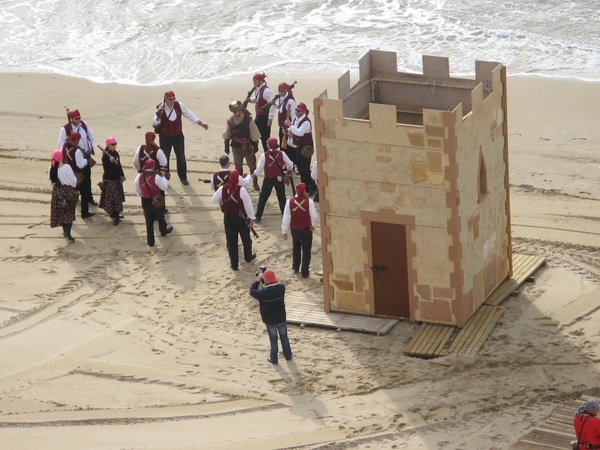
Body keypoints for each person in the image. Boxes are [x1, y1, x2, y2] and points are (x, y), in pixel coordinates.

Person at [152, 90, 208, 185]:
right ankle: (165, 178)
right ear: (166, 99)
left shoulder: (179, 105)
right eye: (170, 99)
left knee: (181, 157)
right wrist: (159, 114)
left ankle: (183, 177)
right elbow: (155, 122)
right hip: (165, 138)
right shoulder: (159, 108)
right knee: (165, 158)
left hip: (178, 136)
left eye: (174, 99)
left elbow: (189, 114)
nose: (173, 101)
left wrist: (200, 123)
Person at [211, 170, 256, 270]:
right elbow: (248, 206)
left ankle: (234, 264)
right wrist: (251, 219)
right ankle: (248, 256)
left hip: (228, 218)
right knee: (245, 238)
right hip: (241, 217)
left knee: (231, 241)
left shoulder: (223, 188)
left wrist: (223, 199)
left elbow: (213, 200)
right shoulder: (242, 190)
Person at [249, 269, 293, 365]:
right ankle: (288, 355)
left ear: (267, 280)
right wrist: (265, 279)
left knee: (273, 339)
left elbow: (252, 291)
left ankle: (274, 358)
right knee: (284, 336)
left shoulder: (263, 293)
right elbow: (273, 286)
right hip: (281, 317)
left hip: (270, 319)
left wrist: (257, 281)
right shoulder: (281, 287)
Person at [58, 109, 97, 205]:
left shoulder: (83, 125)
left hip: (85, 155)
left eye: (79, 118)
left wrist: (90, 149)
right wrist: (69, 144)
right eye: (76, 118)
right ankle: (73, 196)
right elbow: (61, 143)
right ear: (71, 119)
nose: (79, 120)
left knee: (87, 178)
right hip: (72, 158)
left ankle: (88, 197)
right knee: (74, 178)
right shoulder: (65, 129)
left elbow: (91, 137)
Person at [281, 182, 319, 278]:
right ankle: (304, 271)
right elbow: (314, 216)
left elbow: (286, 218)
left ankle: (296, 266)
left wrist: (284, 231)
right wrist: (313, 225)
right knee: (306, 250)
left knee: (296, 246)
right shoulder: (309, 202)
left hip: (294, 229)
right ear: (305, 190)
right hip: (306, 229)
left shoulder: (289, 201)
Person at [133, 159, 173, 247]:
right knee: (160, 216)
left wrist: (141, 194)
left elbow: (136, 186)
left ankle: (150, 241)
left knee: (148, 220)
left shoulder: (139, 176)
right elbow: (164, 187)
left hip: (145, 200)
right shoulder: (156, 176)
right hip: (155, 200)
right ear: (153, 166)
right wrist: (164, 178)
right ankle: (163, 231)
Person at [222, 100, 261, 191]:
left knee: (252, 165)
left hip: (247, 145)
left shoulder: (248, 120)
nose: (234, 114)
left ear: (240, 110)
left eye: (236, 112)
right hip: (235, 146)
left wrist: (255, 144)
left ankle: (255, 182)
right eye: (233, 112)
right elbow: (227, 134)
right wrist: (226, 145)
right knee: (238, 166)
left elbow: (254, 132)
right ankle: (240, 183)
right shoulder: (230, 121)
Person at [252, 137, 293, 223]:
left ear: (268, 145)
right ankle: (285, 216)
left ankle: (258, 216)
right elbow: (290, 164)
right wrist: (287, 170)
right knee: (281, 197)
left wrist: (254, 174)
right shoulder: (282, 153)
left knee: (263, 197)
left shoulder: (264, 155)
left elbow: (259, 170)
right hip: (279, 178)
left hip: (268, 179)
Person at [284, 101, 317, 196]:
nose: (296, 112)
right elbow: (293, 129)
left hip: (306, 148)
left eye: (298, 111)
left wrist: (291, 127)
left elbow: (299, 133)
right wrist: (289, 130)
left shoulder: (306, 122)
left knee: (305, 169)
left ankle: (313, 186)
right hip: (298, 146)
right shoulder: (295, 118)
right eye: (296, 110)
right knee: (301, 168)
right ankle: (305, 186)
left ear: (303, 112)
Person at [62, 131, 94, 219]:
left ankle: (69, 214)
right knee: (85, 193)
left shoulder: (65, 146)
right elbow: (80, 164)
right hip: (78, 175)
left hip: (68, 174)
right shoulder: (77, 151)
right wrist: (86, 159)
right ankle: (84, 213)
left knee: (71, 195)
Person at [48, 149, 78, 242]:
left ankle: (64, 230)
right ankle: (67, 232)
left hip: (57, 192)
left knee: (60, 211)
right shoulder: (66, 167)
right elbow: (73, 181)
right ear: (61, 157)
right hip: (67, 192)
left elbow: (51, 180)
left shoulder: (51, 168)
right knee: (69, 212)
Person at [245, 73, 276, 153]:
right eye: (253, 81)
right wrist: (250, 100)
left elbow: (272, 105)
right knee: (253, 132)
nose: (254, 83)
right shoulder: (258, 88)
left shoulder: (267, 91)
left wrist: (270, 119)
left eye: (255, 81)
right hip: (258, 116)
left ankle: (268, 154)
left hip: (265, 117)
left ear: (261, 81)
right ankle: (255, 147)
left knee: (265, 138)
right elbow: (257, 98)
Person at [99, 137, 126, 225]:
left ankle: (117, 214)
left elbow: (119, 165)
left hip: (116, 178)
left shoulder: (116, 153)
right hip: (110, 180)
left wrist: (122, 175)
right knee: (112, 199)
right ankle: (113, 214)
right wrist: (111, 163)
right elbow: (107, 170)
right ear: (108, 145)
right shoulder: (105, 157)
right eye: (113, 144)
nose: (114, 146)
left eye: (115, 144)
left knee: (118, 199)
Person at [276, 82, 297, 167]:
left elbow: (293, 117)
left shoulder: (290, 101)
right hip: (282, 127)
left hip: (287, 128)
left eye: (282, 91)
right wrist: (274, 104)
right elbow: (281, 108)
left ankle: (295, 164)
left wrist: (290, 129)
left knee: (290, 149)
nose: (280, 92)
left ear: (286, 90)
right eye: (279, 91)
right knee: (284, 148)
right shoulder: (282, 98)